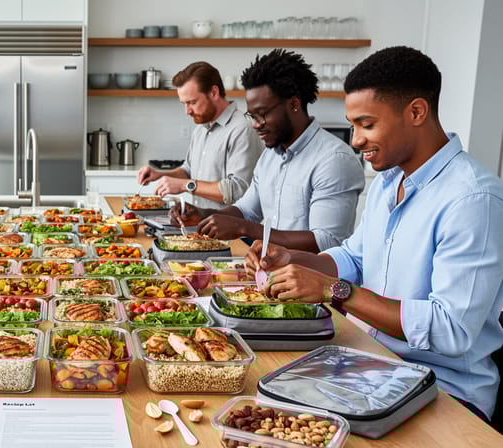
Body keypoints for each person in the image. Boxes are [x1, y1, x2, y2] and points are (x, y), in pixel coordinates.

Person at [248, 46, 503, 422]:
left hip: (444, 391)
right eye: (353, 126)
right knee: (261, 398)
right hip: (372, 366)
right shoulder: (388, 181)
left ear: (416, 112)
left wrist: (332, 290)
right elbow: (354, 257)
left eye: (367, 125)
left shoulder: (473, 198)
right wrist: (293, 258)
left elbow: (450, 330)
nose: (355, 140)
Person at [172, 49, 364, 253]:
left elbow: (326, 241)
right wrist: (203, 214)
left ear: (294, 104)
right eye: (252, 116)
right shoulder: (270, 155)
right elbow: (246, 210)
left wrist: (243, 228)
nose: (255, 125)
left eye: (262, 115)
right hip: (269, 273)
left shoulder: (334, 160)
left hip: (313, 281)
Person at [136, 61, 262, 209]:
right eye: (184, 103)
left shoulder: (242, 128)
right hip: (201, 227)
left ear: (214, 93)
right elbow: (188, 171)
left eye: (192, 102)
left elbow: (236, 190)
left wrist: (185, 185)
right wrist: (160, 175)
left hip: (232, 230)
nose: (187, 111)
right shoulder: (201, 129)